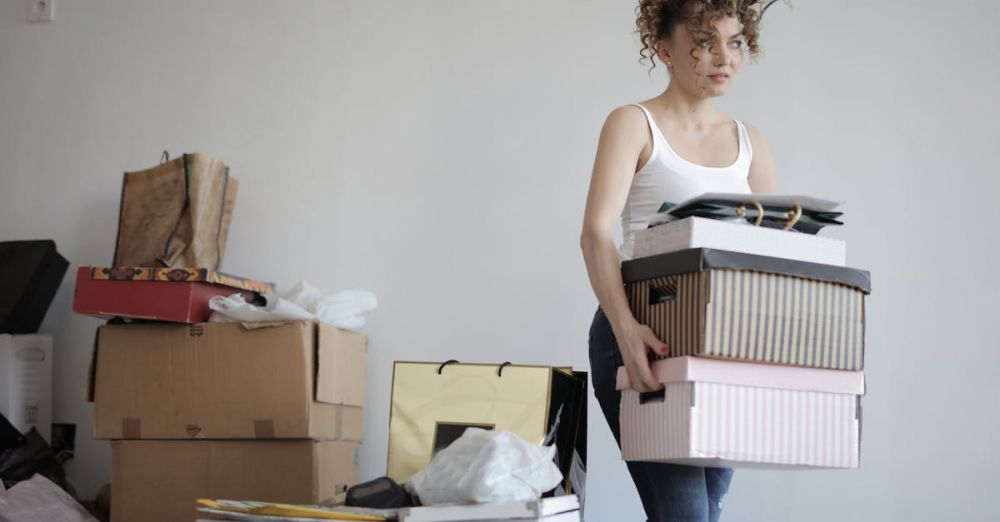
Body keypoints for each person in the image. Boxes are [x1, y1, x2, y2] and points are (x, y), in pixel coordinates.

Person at [580, 1, 779, 520]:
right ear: (664, 49)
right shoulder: (633, 123)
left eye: (735, 42)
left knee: (704, 514)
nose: (724, 57)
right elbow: (596, 234)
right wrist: (626, 333)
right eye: (704, 42)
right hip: (644, 332)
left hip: (724, 347)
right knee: (687, 515)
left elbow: (774, 255)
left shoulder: (750, 143)